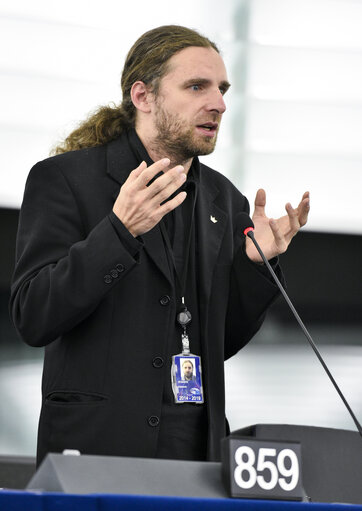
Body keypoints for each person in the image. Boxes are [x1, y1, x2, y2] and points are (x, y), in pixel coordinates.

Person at [10, 25, 310, 466]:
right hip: (95, 450)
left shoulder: (224, 200)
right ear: (143, 97)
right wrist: (118, 231)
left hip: (195, 457)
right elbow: (33, 316)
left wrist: (254, 267)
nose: (219, 104)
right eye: (196, 86)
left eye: (222, 89)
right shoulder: (65, 180)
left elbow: (217, 341)